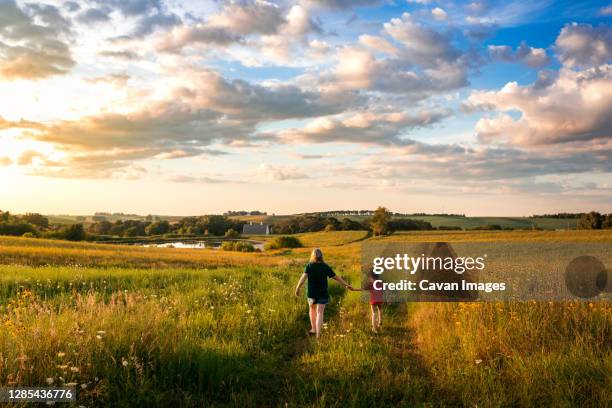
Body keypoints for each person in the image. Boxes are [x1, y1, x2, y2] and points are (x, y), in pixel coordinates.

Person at [294, 248, 353, 338]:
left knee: (312, 310)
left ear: (312, 256)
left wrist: (298, 288)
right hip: (322, 293)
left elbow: (303, 277)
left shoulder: (309, 266)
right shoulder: (325, 267)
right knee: (320, 313)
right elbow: (336, 277)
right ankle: (318, 335)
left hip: (311, 294)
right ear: (321, 256)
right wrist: (346, 285)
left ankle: (313, 329)